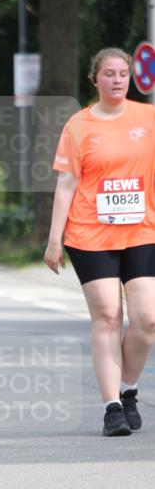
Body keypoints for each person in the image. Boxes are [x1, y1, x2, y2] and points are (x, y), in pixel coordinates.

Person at [45, 48, 155, 437]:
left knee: (147, 318)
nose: (117, 80)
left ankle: (128, 389)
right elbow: (66, 183)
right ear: (95, 80)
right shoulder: (79, 125)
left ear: (132, 77)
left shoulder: (148, 118)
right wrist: (54, 239)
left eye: (123, 73)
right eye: (109, 74)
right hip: (90, 233)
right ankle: (111, 407)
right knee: (108, 315)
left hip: (142, 230)